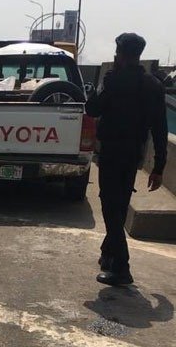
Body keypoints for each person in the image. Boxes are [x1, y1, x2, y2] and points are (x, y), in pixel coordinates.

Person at [86, 33, 168, 286]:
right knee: (119, 205)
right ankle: (109, 253)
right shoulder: (153, 85)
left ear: (120, 53)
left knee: (110, 208)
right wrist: (159, 167)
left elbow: (93, 110)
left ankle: (122, 268)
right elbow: (160, 129)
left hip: (112, 153)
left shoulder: (114, 81)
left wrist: (97, 88)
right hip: (133, 154)